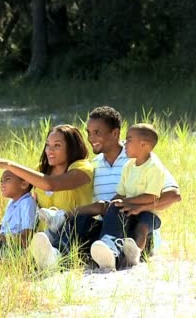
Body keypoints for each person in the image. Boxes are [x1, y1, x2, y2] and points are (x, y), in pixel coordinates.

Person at [32, 106, 181, 269]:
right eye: (88, 132)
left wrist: (136, 206)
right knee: (83, 217)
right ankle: (57, 256)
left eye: (97, 132)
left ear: (115, 133)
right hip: (107, 226)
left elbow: (173, 195)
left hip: (134, 229)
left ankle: (113, 251)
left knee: (117, 210)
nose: (91, 138)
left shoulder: (140, 160)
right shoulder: (93, 166)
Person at [0, 124, 93, 270]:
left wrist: (8, 164)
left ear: (71, 148)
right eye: (47, 145)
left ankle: (15, 264)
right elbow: (24, 194)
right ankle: (6, 263)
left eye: (57, 146)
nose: (49, 150)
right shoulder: (41, 169)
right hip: (40, 236)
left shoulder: (82, 168)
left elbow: (50, 184)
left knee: (59, 239)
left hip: (72, 229)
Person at [90, 123, 168, 271]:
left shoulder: (154, 167)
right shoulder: (129, 166)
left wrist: (126, 202)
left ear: (143, 144)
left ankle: (135, 254)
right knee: (113, 212)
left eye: (129, 140)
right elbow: (121, 193)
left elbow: (151, 197)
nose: (125, 143)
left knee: (142, 227)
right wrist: (111, 203)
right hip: (129, 210)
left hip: (147, 212)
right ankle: (109, 251)